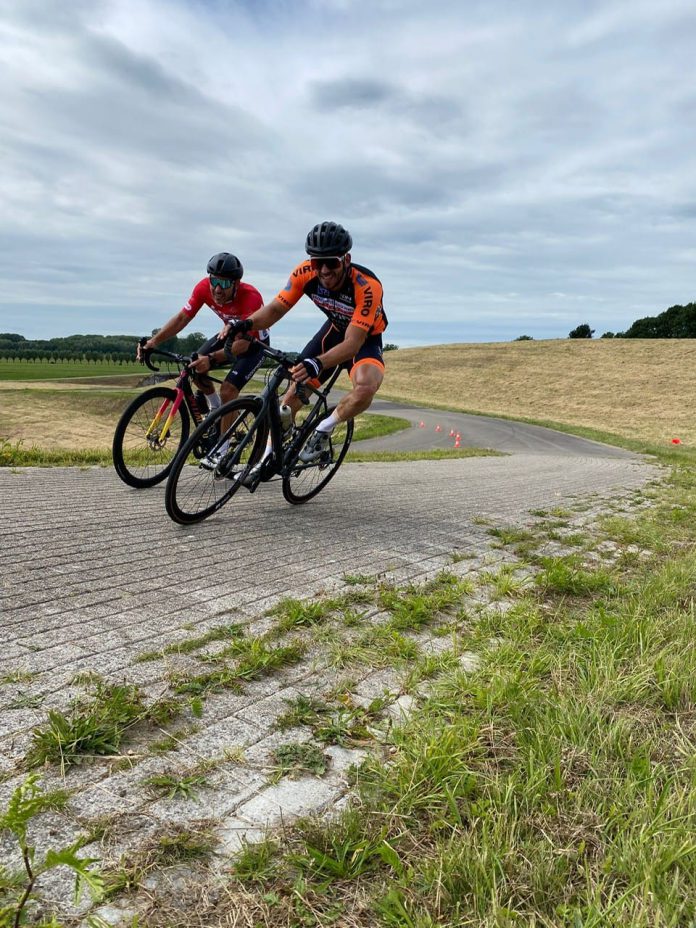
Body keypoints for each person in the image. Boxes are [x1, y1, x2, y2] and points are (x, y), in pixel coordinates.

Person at [228, 221, 388, 472]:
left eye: (331, 262)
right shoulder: (304, 273)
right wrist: (245, 324)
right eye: (317, 262)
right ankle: (266, 459)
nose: (324, 270)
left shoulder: (367, 286)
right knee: (289, 399)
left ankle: (324, 428)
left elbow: (353, 343)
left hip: (363, 339)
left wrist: (318, 362)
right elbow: (275, 309)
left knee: (366, 387)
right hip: (333, 331)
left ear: (346, 259)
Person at [137, 252, 269, 413]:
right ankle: (215, 408)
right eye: (214, 281)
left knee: (228, 390)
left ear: (236, 283)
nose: (218, 289)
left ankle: (224, 438)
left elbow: (244, 344)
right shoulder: (203, 288)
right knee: (195, 365)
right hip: (229, 336)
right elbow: (181, 318)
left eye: (225, 283)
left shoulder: (251, 297)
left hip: (253, 345)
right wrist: (153, 341)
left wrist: (211, 358)